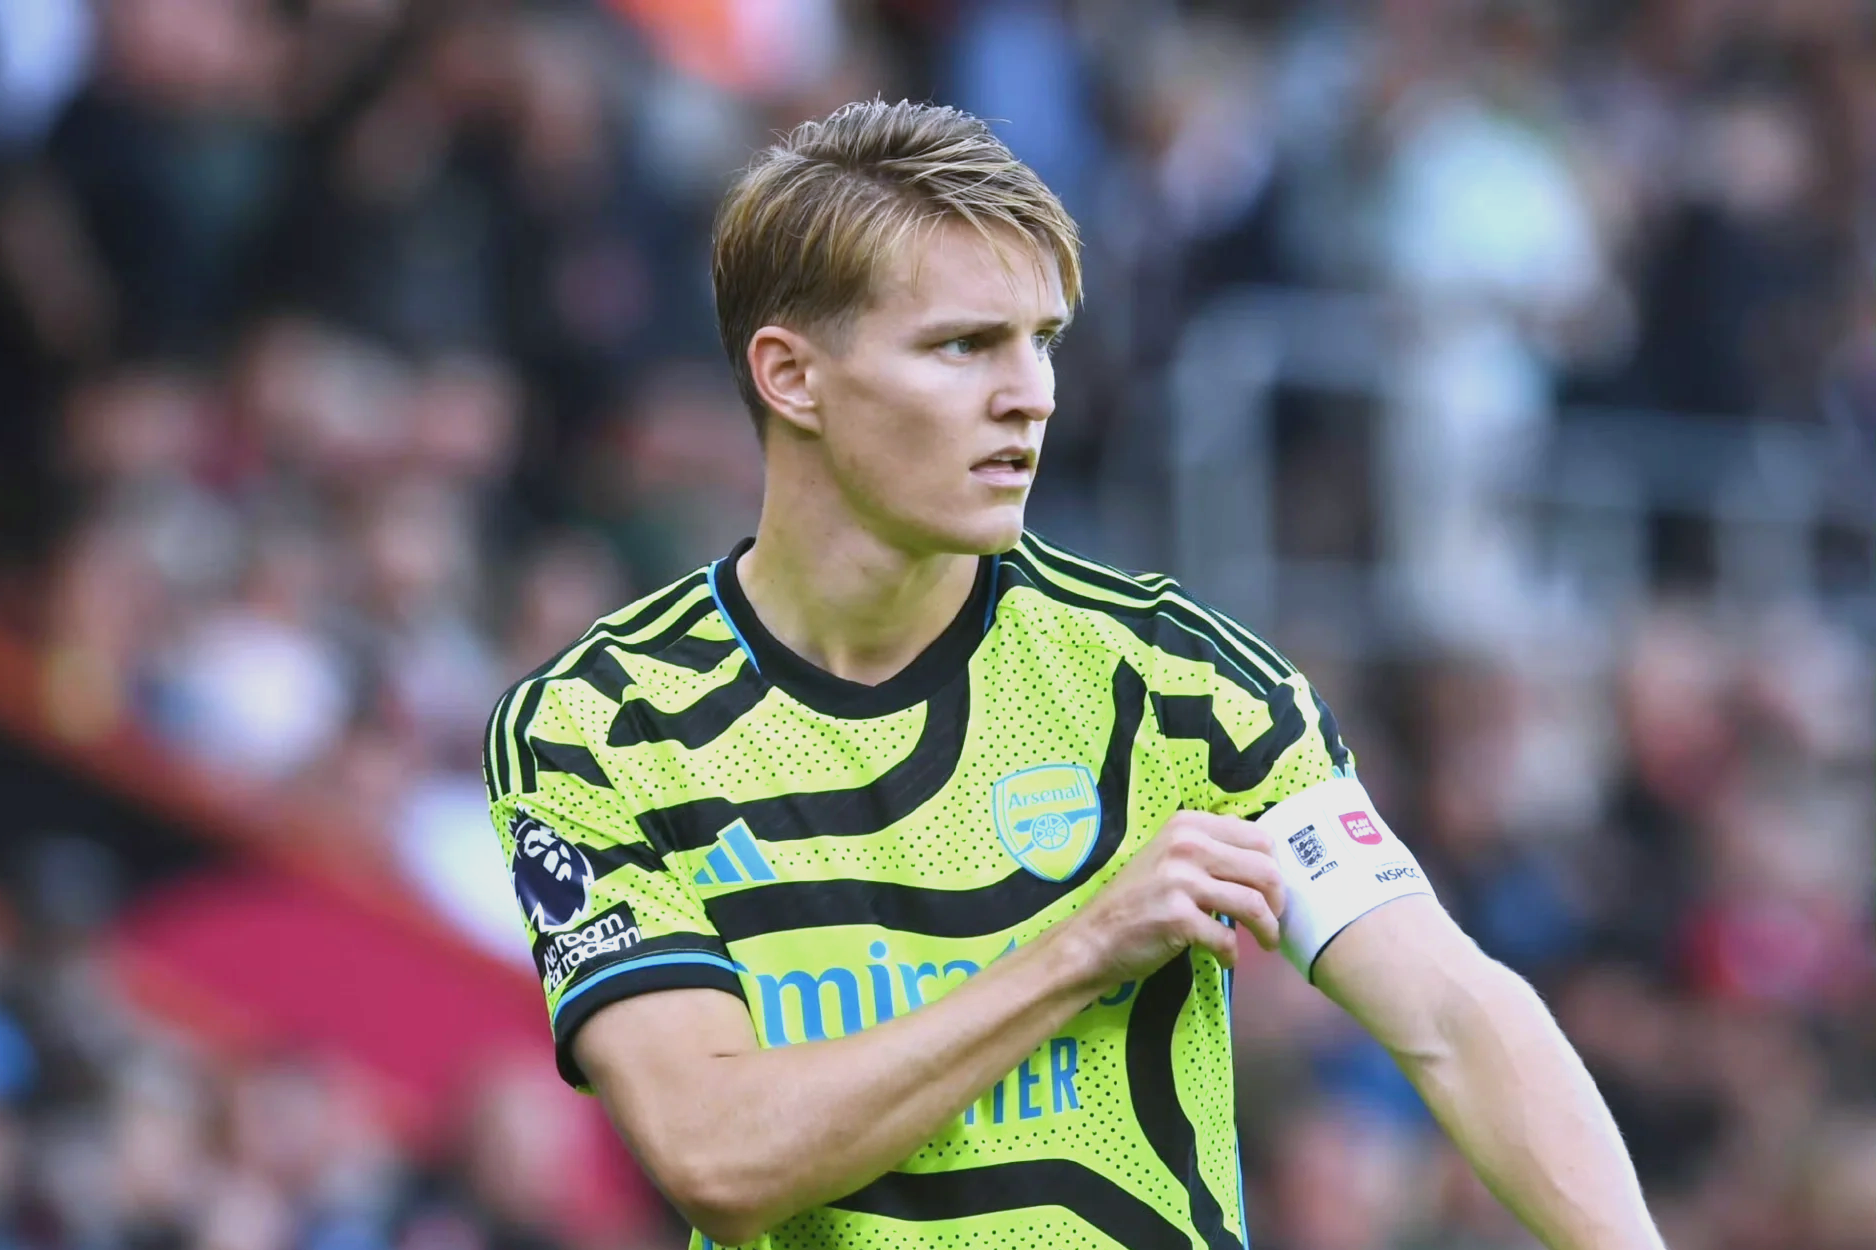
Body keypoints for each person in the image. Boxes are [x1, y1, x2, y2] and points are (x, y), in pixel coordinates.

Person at [481, 99, 1664, 1250]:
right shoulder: (599, 727)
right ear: (793, 376)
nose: (1031, 395)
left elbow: (1455, 1013)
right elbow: (719, 1155)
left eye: (1041, 341)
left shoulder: (1175, 678)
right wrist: (1080, 948)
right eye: (963, 345)